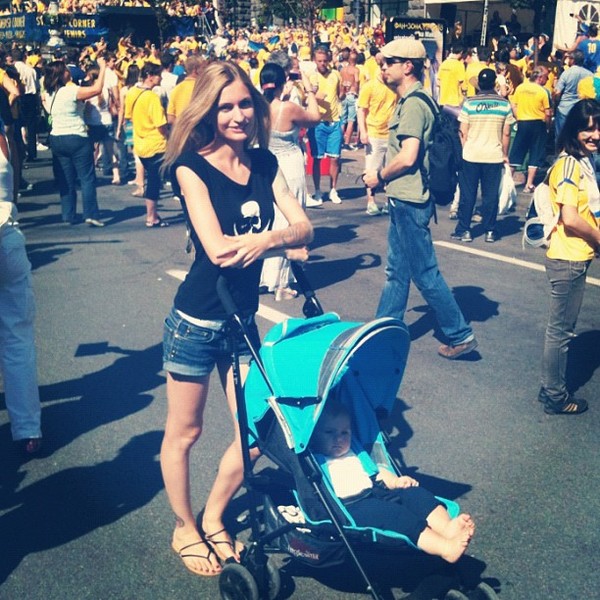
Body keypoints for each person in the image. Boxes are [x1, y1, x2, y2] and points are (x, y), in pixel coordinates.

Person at [160, 61, 313, 577]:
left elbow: (305, 227)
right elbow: (219, 251)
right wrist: (278, 242)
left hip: (242, 321)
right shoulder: (190, 168)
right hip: (197, 322)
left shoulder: (265, 163)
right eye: (225, 106)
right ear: (208, 111)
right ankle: (185, 527)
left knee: (257, 431)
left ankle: (214, 516)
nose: (238, 114)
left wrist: (269, 240)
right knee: (186, 431)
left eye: (245, 103)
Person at [363, 37, 478, 360]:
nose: (382, 68)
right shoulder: (416, 98)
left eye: (389, 63)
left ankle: (460, 334)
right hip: (406, 198)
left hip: (410, 200)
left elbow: (408, 156)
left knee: (425, 273)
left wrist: (379, 176)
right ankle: (381, 332)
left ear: (407, 66)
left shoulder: (413, 104)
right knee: (397, 272)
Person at [310, 401, 475, 563]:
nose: (339, 439)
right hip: (350, 507)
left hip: (376, 492)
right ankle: (445, 548)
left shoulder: (355, 450)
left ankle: (446, 527)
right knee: (397, 516)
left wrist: (396, 482)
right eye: (329, 432)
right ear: (313, 435)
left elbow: (376, 473)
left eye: (345, 432)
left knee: (415, 494)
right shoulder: (314, 461)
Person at [538, 99, 600, 415]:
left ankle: (550, 387)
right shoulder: (570, 165)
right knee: (560, 332)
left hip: (574, 254)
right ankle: (555, 396)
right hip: (568, 257)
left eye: (599, 128)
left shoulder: (582, 161)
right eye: (588, 129)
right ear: (573, 130)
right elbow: (571, 218)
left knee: (560, 330)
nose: (595, 134)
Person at [258, 63, 320, 300]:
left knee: (270, 221)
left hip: (266, 165)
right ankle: (281, 284)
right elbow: (315, 117)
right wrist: (309, 90)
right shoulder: (288, 108)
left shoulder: (257, 108)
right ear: (282, 83)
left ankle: (265, 277)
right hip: (289, 166)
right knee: (290, 222)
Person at [0, 118, 42, 454]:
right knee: (17, 339)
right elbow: (11, 178)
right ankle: (28, 429)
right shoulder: (2, 134)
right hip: (6, 235)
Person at [451, 69, 515, 243]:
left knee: (468, 194)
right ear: (494, 84)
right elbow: (506, 133)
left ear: (479, 84)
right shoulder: (504, 104)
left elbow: (463, 131)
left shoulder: (470, 103)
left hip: (471, 154)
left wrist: (465, 148)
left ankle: (464, 229)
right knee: (490, 195)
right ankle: (490, 230)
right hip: (493, 155)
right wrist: (505, 154)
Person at [43, 57, 106, 227]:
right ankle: (90, 213)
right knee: (86, 177)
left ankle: (68, 213)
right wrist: (103, 67)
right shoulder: (71, 91)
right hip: (76, 136)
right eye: (65, 70)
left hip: (57, 137)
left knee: (66, 179)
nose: (68, 71)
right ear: (61, 74)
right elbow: (97, 89)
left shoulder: (49, 93)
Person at [124, 62, 169, 228]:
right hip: (156, 144)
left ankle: (153, 214)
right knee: (155, 181)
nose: (161, 78)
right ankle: (151, 217)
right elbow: (160, 124)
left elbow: (129, 115)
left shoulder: (132, 92)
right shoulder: (152, 97)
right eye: (159, 75)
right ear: (150, 76)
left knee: (153, 179)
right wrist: (170, 136)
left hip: (140, 143)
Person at [356, 52, 397, 216]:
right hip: (374, 134)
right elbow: (361, 110)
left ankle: (388, 201)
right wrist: (363, 132)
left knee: (390, 170)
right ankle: (371, 202)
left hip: (391, 134)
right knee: (371, 170)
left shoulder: (394, 86)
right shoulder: (370, 86)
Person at [306, 46, 345, 206]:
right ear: (314, 61)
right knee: (317, 159)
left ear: (328, 60)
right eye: (319, 61)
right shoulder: (311, 77)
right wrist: (314, 96)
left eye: (325, 61)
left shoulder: (335, 74)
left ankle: (333, 190)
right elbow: (304, 99)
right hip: (318, 123)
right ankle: (317, 191)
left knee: (335, 158)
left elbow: (340, 94)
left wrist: (344, 93)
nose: (322, 63)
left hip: (334, 121)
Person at [509, 67, 552, 193]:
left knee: (516, 152)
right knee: (535, 153)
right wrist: (548, 126)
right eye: (546, 77)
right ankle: (529, 184)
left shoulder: (520, 88)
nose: (547, 80)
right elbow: (548, 113)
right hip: (538, 124)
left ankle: (507, 182)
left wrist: (518, 117)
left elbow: (513, 104)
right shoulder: (544, 91)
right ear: (540, 77)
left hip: (522, 122)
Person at [553, 50, 592, 139]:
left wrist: (555, 103)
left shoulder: (566, 73)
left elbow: (557, 92)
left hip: (564, 109)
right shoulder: (589, 74)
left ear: (573, 60)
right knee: (575, 136)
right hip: (580, 108)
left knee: (560, 136)